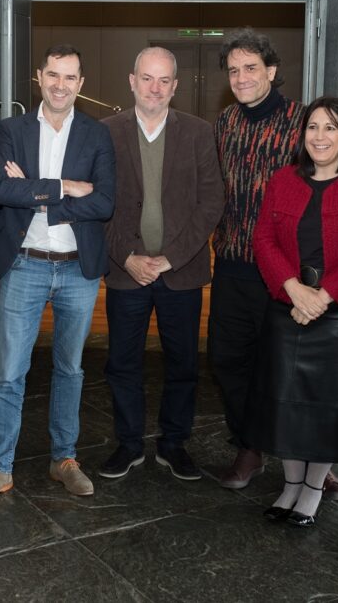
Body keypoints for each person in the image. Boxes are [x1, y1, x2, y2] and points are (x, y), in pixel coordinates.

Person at [0, 44, 115, 510]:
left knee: (70, 369)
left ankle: (64, 459)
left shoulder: (97, 135)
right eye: (53, 75)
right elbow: (2, 190)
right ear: (39, 77)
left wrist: (39, 196)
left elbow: (105, 201)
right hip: (24, 265)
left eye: (70, 77)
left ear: (81, 84)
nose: (60, 85)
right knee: (9, 373)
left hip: (77, 271)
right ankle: (0, 470)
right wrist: (65, 188)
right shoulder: (11, 130)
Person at [210, 27, 338, 500]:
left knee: (293, 370)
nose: (242, 77)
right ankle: (250, 444)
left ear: (271, 71)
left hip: (286, 274)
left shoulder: (302, 122)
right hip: (231, 261)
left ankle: (313, 460)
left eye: (251, 68)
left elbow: (324, 185)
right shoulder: (225, 121)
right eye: (233, 70)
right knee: (229, 360)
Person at [248, 97, 338, 527]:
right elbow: (263, 239)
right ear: (302, 135)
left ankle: (313, 488)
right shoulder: (284, 179)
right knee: (286, 406)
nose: (320, 136)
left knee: (322, 407)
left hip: (336, 314)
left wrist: (323, 297)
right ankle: (289, 485)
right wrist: (292, 288)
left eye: (331, 128)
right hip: (287, 306)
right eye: (313, 128)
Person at [99, 47, 224, 481]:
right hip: (125, 271)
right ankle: (129, 444)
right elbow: (99, 204)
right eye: (147, 78)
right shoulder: (105, 132)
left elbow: (211, 203)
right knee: (122, 364)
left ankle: (174, 444)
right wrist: (128, 256)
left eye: (164, 80)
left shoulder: (198, 132)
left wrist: (170, 258)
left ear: (175, 86)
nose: (155, 88)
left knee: (184, 365)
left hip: (181, 273)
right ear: (132, 81)